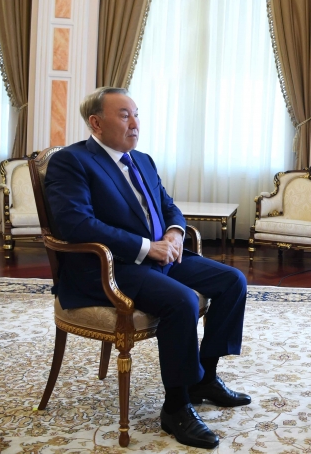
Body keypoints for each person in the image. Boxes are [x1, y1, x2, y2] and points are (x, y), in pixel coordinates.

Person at [45, 87, 250, 450]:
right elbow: (76, 224)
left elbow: (170, 207)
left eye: (136, 114)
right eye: (124, 115)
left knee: (232, 280)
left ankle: (204, 378)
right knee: (182, 301)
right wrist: (146, 247)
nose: (135, 123)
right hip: (109, 266)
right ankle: (176, 407)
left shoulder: (142, 160)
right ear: (96, 123)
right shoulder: (72, 162)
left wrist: (173, 234)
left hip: (159, 257)